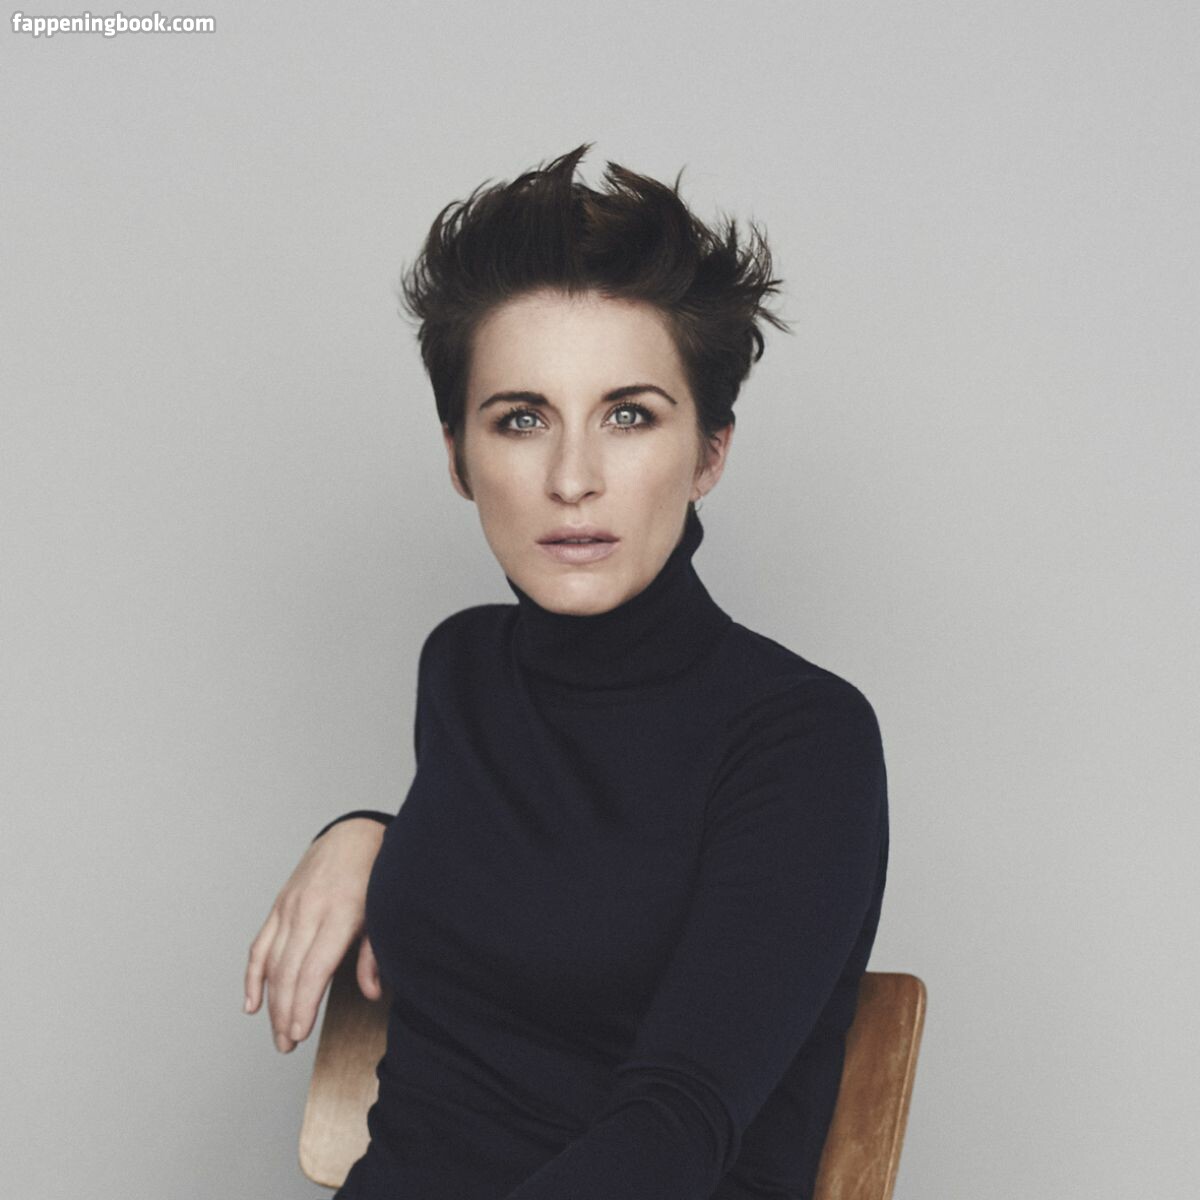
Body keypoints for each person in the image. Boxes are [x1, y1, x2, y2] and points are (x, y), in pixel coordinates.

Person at [243, 144, 889, 1200]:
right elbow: (539, 888)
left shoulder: (802, 737)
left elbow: (673, 1130)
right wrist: (368, 833)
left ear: (710, 452)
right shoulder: (462, 670)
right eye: (521, 418)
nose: (573, 478)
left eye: (629, 415)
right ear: (459, 458)